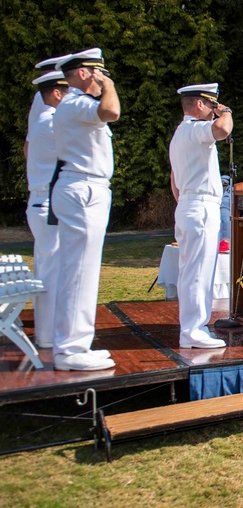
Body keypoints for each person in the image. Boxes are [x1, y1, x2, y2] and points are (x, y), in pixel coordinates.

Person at [50, 48, 119, 371]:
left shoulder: (78, 105)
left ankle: (77, 343)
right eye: (98, 73)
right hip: (82, 189)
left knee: (83, 270)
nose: (102, 78)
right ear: (82, 73)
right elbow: (112, 112)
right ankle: (69, 348)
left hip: (85, 188)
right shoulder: (76, 103)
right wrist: (109, 87)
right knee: (79, 271)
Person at [169, 83, 233, 350]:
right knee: (198, 272)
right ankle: (193, 331)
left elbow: (174, 181)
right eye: (211, 104)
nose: (214, 110)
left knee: (193, 270)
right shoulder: (195, 129)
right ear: (198, 105)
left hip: (188, 203)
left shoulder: (180, 133)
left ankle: (194, 327)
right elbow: (223, 129)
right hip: (200, 206)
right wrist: (226, 111)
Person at [23, 70, 69, 349]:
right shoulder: (52, 124)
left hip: (41, 201)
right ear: (55, 93)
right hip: (48, 204)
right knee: (53, 272)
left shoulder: (40, 124)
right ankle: (49, 335)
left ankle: (47, 332)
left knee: (48, 269)